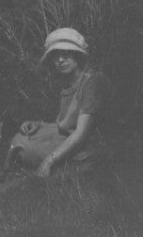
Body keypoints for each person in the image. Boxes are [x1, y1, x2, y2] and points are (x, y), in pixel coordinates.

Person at [7, 27, 106, 177]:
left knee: (26, 148)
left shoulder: (92, 82)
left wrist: (49, 161)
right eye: (56, 55)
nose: (60, 60)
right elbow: (64, 124)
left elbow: (80, 133)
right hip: (69, 138)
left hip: (88, 145)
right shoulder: (69, 82)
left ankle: (68, 168)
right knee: (20, 138)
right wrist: (40, 125)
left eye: (66, 54)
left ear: (78, 55)